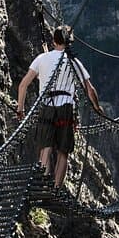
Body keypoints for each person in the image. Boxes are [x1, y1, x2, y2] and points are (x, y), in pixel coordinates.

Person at [16, 25, 100, 187]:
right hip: (66, 110)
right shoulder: (73, 61)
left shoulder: (41, 59)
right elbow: (89, 89)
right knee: (63, 151)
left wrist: (20, 109)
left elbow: (23, 85)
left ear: (54, 40)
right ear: (70, 42)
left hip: (46, 106)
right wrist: (97, 108)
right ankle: (55, 188)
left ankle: (44, 182)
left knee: (45, 147)